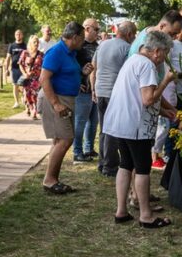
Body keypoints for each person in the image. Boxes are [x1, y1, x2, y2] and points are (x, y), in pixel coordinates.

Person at [104, 30, 176, 228]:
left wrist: (168, 111)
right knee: (143, 168)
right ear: (157, 51)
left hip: (121, 122)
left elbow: (141, 97)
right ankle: (146, 215)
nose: (165, 58)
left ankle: (121, 211)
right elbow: (148, 99)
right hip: (135, 126)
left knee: (125, 164)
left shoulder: (133, 60)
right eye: (165, 53)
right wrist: (166, 81)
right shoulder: (147, 65)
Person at [39, 22, 90, 194]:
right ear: (74, 37)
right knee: (65, 139)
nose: (83, 41)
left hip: (67, 99)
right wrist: (56, 103)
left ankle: (52, 179)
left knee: (60, 140)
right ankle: (49, 180)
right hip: (56, 99)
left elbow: (65, 73)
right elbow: (44, 79)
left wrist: (81, 73)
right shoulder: (56, 52)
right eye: (82, 38)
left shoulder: (70, 52)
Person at [92, 20, 137, 177]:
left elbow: (94, 66)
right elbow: (128, 72)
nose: (134, 38)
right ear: (129, 34)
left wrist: (93, 88)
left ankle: (102, 162)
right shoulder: (127, 48)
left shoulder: (102, 44)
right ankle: (110, 166)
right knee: (112, 130)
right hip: (114, 92)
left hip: (100, 89)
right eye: (134, 35)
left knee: (104, 128)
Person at [152, 18, 182, 170]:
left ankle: (171, 152)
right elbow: (168, 67)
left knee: (177, 120)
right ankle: (165, 153)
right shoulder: (172, 45)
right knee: (169, 122)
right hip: (171, 88)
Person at [72, 18, 102, 163]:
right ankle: (77, 152)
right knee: (80, 122)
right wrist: (76, 82)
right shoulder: (78, 46)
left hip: (95, 90)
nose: (98, 32)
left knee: (93, 121)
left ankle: (88, 148)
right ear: (87, 29)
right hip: (83, 90)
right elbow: (71, 66)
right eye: (96, 29)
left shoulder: (98, 46)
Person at [18, 35, 44, 119]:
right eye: (34, 42)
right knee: (27, 95)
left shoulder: (41, 54)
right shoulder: (25, 53)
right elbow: (20, 64)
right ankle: (28, 107)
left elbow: (44, 66)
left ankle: (34, 112)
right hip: (27, 78)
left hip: (36, 79)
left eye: (37, 42)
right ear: (30, 43)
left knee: (35, 96)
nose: (36, 43)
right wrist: (24, 73)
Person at [4, 29, 27, 108]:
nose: (18, 35)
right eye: (17, 34)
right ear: (15, 36)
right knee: (15, 85)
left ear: (22, 35)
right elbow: (8, 58)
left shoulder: (25, 45)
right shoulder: (11, 45)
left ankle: (24, 99)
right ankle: (16, 102)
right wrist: (6, 69)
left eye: (20, 34)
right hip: (14, 69)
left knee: (24, 85)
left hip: (23, 69)